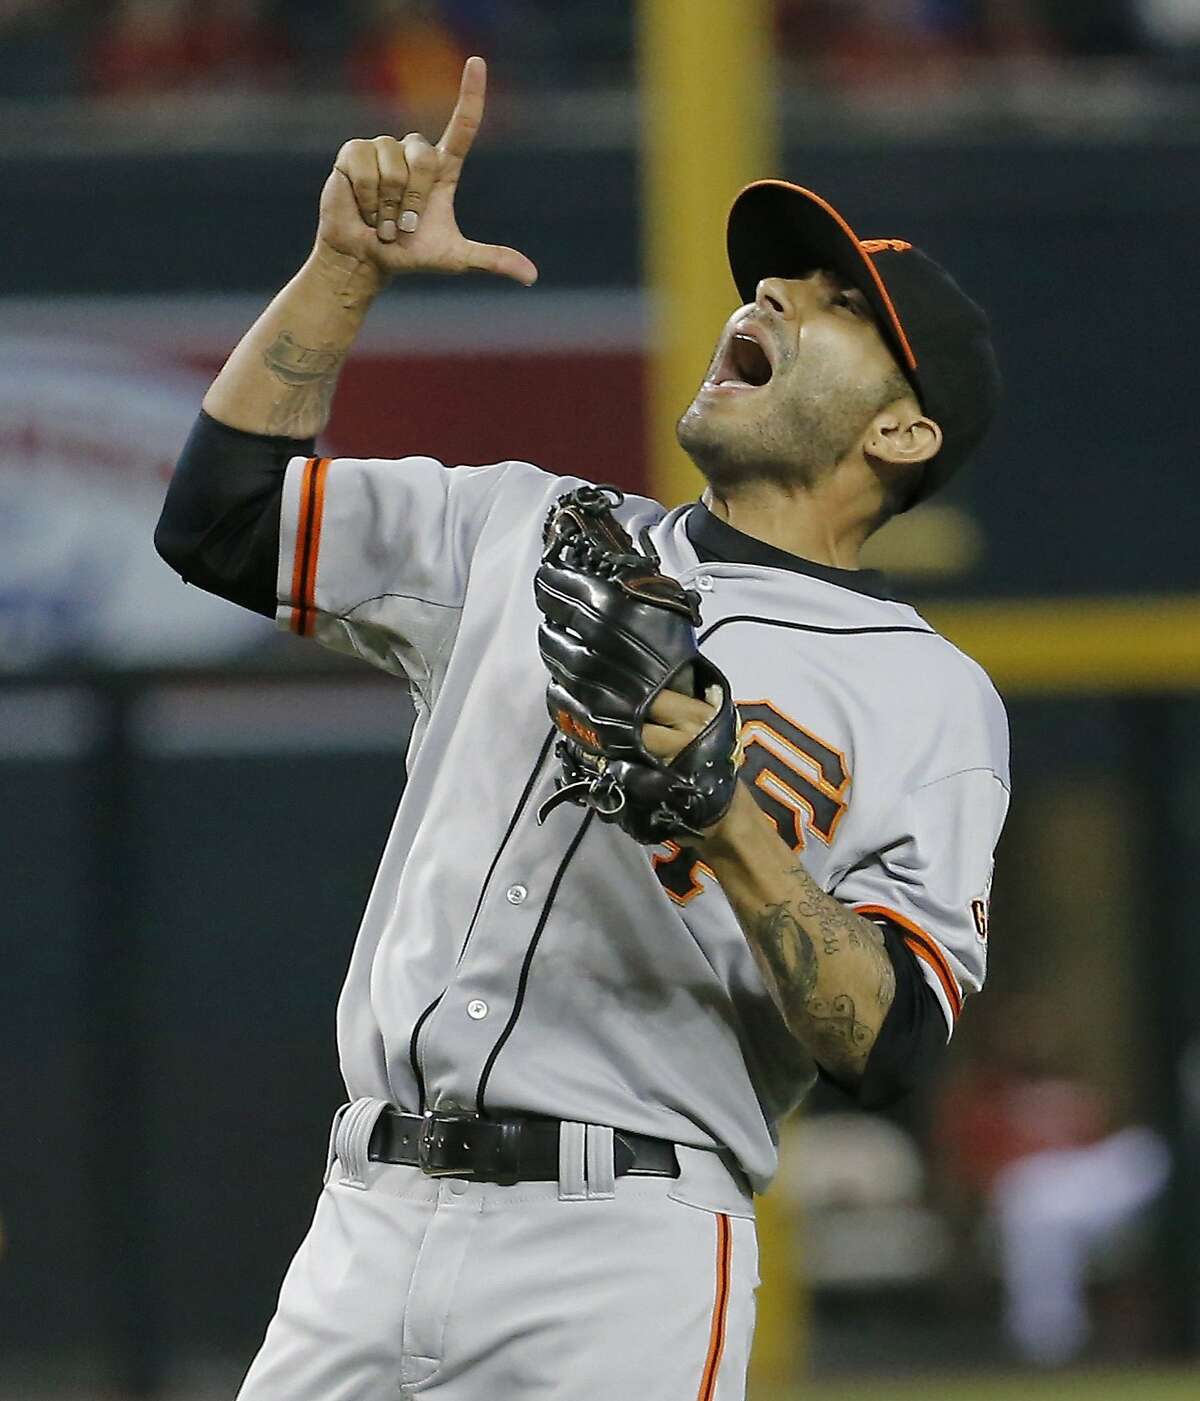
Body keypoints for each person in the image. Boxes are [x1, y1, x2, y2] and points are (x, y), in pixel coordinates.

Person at [155, 56, 1008, 1401]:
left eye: (838, 303)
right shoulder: (522, 526)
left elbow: (891, 1046)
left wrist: (722, 811)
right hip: (366, 1218)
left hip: (626, 1250)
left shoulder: (929, 693)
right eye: (774, 277)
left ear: (904, 429)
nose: (773, 293)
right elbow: (220, 518)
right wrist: (342, 271)